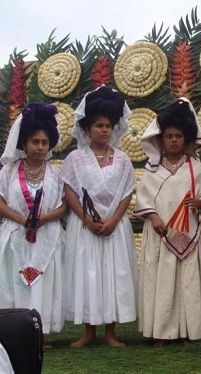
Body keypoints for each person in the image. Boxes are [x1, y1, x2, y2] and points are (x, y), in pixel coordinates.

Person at [62, 86, 137, 347]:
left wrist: (114, 219)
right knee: (88, 274)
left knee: (113, 274)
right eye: (98, 126)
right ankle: (89, 332)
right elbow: (69, 192)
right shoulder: (74, 159)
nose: (104, 130)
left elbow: (127, 192)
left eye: (108, 125)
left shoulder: (123, 159)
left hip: (115, 227)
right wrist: (86, 219)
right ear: (87, 129)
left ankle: (111, 333)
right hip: (85, 228)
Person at [134, 98, 201, 346]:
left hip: (187, 234)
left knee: (187, 281)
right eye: (169, 136)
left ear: (186, 138)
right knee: (161, 282)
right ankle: (161, 332)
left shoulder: (196, 168)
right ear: (160, 139)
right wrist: (154, 217)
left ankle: (189, 329)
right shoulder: (152, 169)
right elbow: (144, 198)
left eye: (179, 135)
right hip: (159, 234)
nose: (174, 140)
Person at [0, 103, 66, 344]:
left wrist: (41, 220)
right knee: (15, 282)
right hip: (16, 235)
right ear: (24, 143)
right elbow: (1, 202)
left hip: (46, 237)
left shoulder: (57, 174)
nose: (39, 147)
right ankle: (15, 333)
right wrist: (23, 220)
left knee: (42, 284)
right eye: (35, 142)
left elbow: (64, 205)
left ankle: (40, 333)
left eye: (44, 142)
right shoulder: (8, 172)